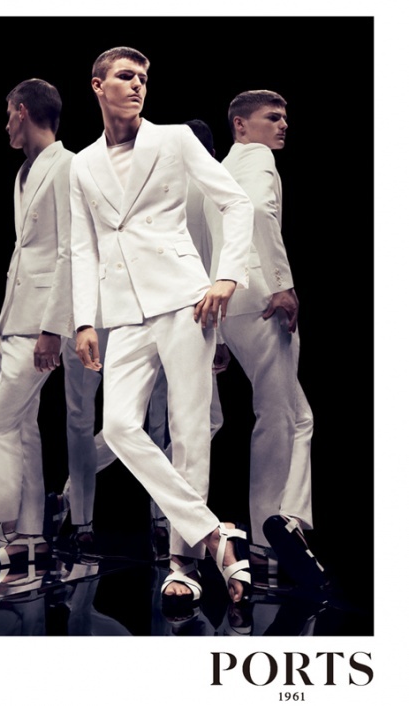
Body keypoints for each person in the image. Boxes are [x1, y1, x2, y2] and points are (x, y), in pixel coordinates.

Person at [69, 46, 255, 607]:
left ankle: (184, 563)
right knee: (120, 428)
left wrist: (227, 276)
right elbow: (83, 246)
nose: (137, 85)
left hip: (184, 299)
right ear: (98, 85)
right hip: (124, 311)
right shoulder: (82, 163)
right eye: (125, 76)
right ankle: (215, 533)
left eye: (143, 78)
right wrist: (84, 320)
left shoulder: (174, 139)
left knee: (188, 430)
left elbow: (236, 203)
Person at [207, 90, 325, 587]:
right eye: (272, 117)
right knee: (280, 417)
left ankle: (284, 522)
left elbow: (204, 242)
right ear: (240, 125)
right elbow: (259, 211)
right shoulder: (256, 157)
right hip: (261, 298)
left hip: (228, 305)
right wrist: (281, 282)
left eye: (284, 118)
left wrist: (216, 332)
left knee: (296, 416)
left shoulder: (217, 170)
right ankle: (270, 533)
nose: (283, 125)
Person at [0, 78, 74, 566]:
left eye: (8, 115)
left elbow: (70, 253)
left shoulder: (67, 166)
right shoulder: (23, 172)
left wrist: (52, 328)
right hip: (13, 318)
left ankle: (8, 524)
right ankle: (32, 534)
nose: (6, 126)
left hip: (39, 324)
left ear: (21, 110)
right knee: (21, 428)